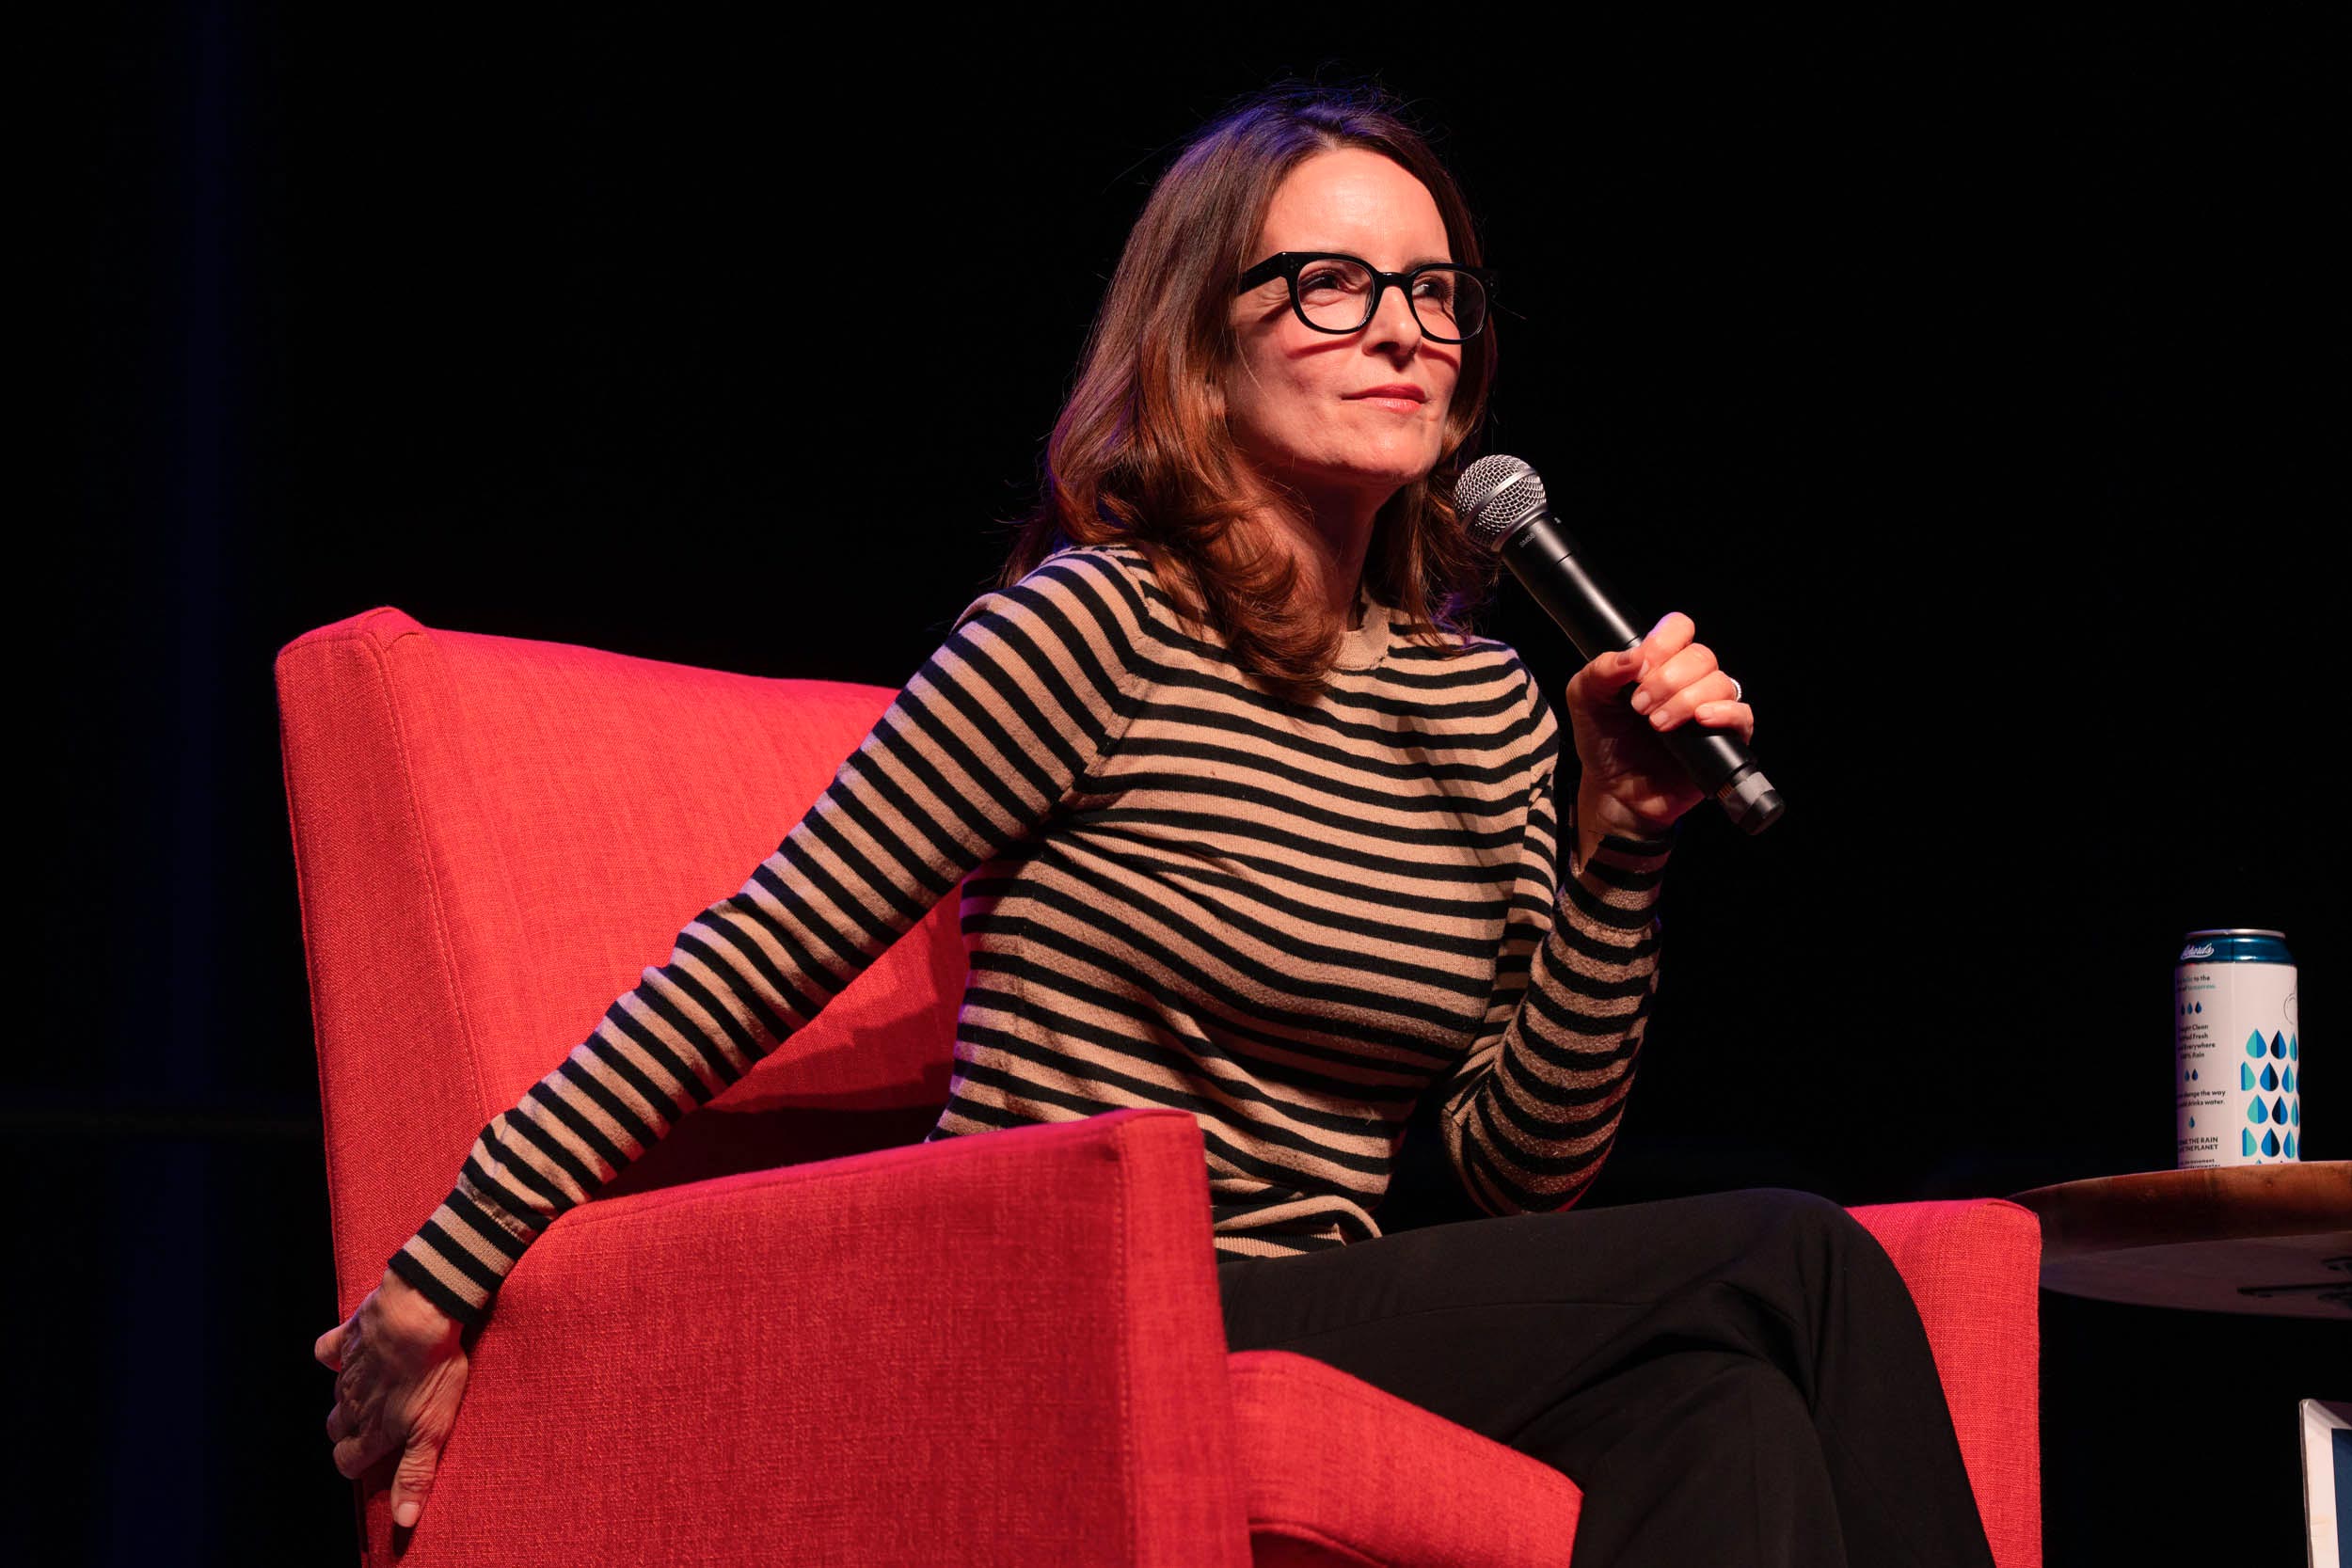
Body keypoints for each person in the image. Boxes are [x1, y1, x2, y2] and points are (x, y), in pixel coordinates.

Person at [315, 81, 1996, 1566]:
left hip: (1313, 1297)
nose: (1402, 330)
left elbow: (1512, 1182)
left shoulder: (1488, 707)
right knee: (1798, 1259)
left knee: (1720, 1418)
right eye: (1330, 287)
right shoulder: (1095, 629)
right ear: (1204, 334)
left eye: (1435, 292)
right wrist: (447, 1268)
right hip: (1061, 1295)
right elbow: (756, 954)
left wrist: (1620, 846)